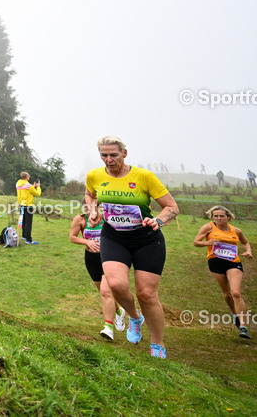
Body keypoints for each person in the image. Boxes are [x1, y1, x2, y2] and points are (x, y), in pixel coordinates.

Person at [85, 135, 179, 359]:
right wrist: (93, 210)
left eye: (113, 155)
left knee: (146, 294)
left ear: (124, 154)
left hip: (147, 239)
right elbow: (90, 195)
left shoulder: (144, 176)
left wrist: (158, 220)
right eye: (104, 155)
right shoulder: (95, 175)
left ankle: (157, 342)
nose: (109, 160)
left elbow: (172, 207)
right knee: (116, 285)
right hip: (114, 237)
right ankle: (135, 317)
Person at [193, 205, 254, 339]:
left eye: (222, 216)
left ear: (228, 217)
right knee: (227, 294)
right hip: (215, 262)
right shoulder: (208, 228)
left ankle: (243, 326)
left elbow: (245, 242)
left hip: (233, 262)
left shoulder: (236, 230)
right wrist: (208, 243)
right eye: (216, 216)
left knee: (236, 293)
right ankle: (234, 314)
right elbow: (196, 242)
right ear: (212, 217)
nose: (219, 218)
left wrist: (248, 251)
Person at [69, 207, 127, 340]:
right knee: (103, 291)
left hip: (108, 258)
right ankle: (119, 311)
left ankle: (108, 327)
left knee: (106, 292)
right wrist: (87, 242)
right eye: (86, 207)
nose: (89, 210)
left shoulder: (106, 218)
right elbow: (72, 237)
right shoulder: (80, 219)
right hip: (91, 259)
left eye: (92, 207)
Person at [16, 172, 42, 244]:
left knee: (24, 220)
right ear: (27, 177)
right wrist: (38, 187)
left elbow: (25, 191)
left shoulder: (18, 184)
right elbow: (38, 194)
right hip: (28, 206)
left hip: (21, 205)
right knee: (28, 222)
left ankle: (24, 236)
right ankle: (28, 240)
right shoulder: (29, 186)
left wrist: (33, 186)